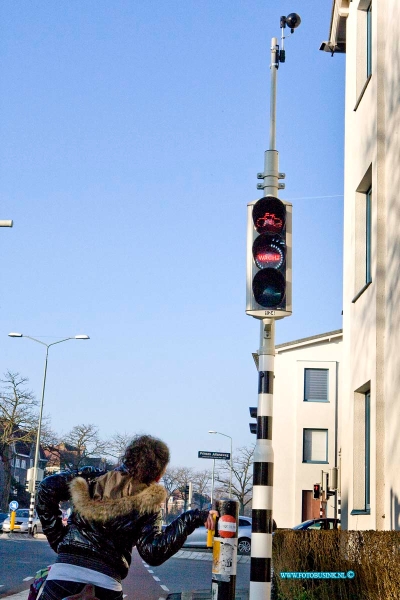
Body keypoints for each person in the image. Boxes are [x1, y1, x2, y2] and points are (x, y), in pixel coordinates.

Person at [36, 434, 217, 600]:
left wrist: (59, 539)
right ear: (158, 473)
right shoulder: (148, 503)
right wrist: (190, 518)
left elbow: (46, 488)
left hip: (62, 577)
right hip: (106, 583)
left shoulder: (92, 478)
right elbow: (152, 553)